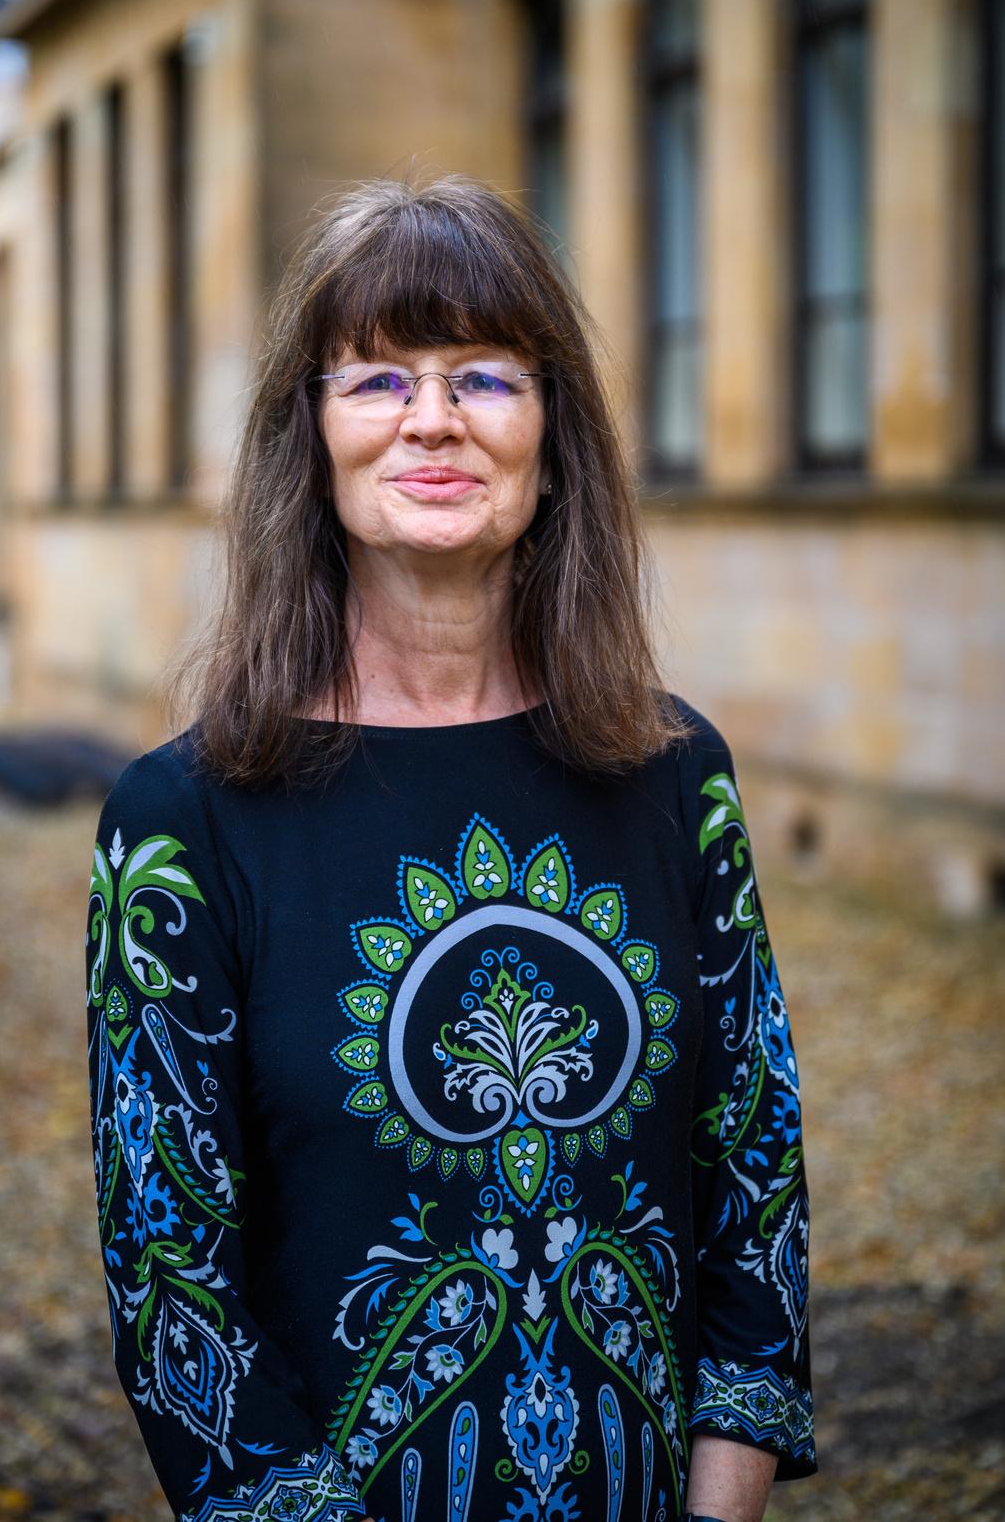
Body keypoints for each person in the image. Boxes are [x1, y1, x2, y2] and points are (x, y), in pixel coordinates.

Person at [83, 172, 815, 1522]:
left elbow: (753, 1184)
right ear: (308, 437)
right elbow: (174, 1284)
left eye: (483, 375)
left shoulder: (675, 776)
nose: (431, 418)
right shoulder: (180, 824)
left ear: (553, 433)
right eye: (375, 379)